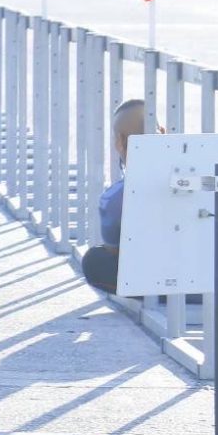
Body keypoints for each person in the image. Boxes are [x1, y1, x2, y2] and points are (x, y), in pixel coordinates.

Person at [80, 99, 148, 295]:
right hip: (211, 281)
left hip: (160, 285)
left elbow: (115, 252)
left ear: (119, 142)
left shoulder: (115, 198)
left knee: (94, 260)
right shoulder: (199, 169)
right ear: (162, 131)